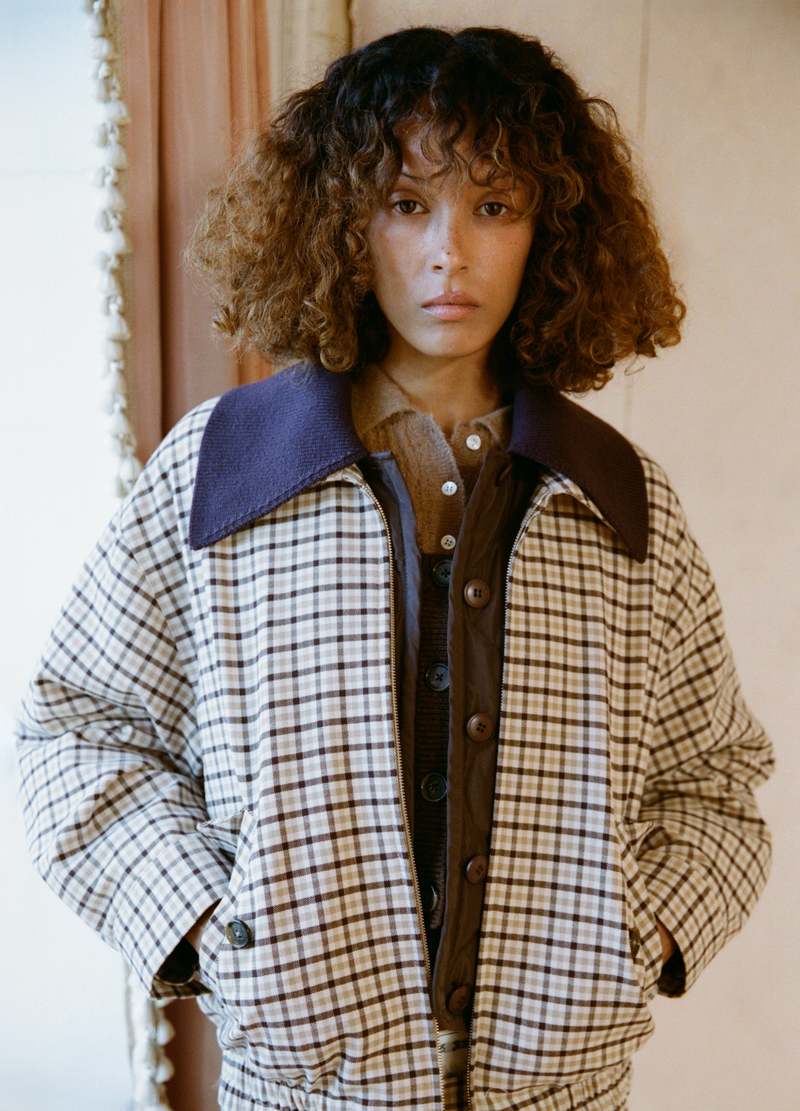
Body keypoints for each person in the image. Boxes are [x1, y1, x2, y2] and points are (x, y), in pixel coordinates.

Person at [15, 24, 775, 1111]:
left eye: (493, 206)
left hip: (564, 1093)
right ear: (340, 220)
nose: (447, 254)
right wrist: (215, 928)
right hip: (300, 1091)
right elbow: (75, 733)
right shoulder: (223, 470)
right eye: (406, 203)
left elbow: (715, 782)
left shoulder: (616, 495)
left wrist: (636, 934)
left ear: (552, 230)